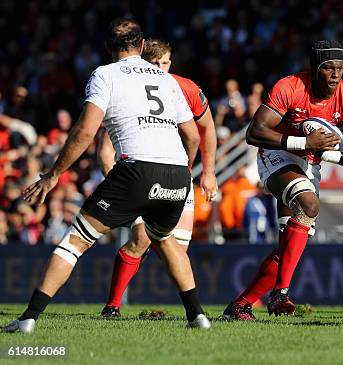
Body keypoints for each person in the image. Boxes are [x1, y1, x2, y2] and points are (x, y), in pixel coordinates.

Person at [2, 19, 210, 333]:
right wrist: (184, 171)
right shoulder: (167, 80)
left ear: (108, 48)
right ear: (141, 46)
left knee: (74, 242)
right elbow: (193, 135)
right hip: (177, 173)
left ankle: (28, 319)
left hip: (136, 170)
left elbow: (86, 131)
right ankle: (198, 317)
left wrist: (54, 174)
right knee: (166, 241)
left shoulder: (104, 74)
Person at [222, 40, 343, 320]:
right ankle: (280, 294)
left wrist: (331, 155)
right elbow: (255, 132)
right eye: (328, 68)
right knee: (309, 204)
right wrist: (303, 142)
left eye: (340, 68)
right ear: (314, 68)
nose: (335, 75)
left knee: (289, 245)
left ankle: (240, 305)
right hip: (278, 154)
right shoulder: (290, 87)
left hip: (312, 162)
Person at [98, 38, 218, 317]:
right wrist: (114, 178)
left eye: (165, 62)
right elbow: (105, 149)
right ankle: (112, 306)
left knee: (177, 247)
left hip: (177, 177)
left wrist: (208, 173)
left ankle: (190, 311)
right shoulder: (129, 89)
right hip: (140, 175)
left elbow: (207, 128)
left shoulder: (186, 88)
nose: (161, 68)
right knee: (141, 238)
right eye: (155, 63)